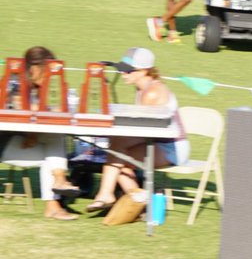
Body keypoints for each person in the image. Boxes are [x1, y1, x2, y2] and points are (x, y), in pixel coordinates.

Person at [86, 48, 189, 213]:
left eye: (127, 70)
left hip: (172, 147)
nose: (122, 73)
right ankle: (140, 205)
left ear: (144, 70)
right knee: (118, 159)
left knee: (116, 150)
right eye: (121, 68)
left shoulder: (152, 93)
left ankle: (108, 196)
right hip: (155, 140)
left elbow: (143, 129)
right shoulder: (141, 89)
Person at [0, 46, 80, 220]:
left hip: (20, 141)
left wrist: (33, 134)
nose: (49, 75)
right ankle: (57, 188)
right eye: (46, 69)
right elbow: (22, 111)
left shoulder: (41, 87)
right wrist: (33, 133)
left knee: (52, 150)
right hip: (4, 144)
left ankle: (55, 195)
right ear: (33, 68)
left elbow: (54, 111)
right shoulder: (15, 83)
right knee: (53, 147)